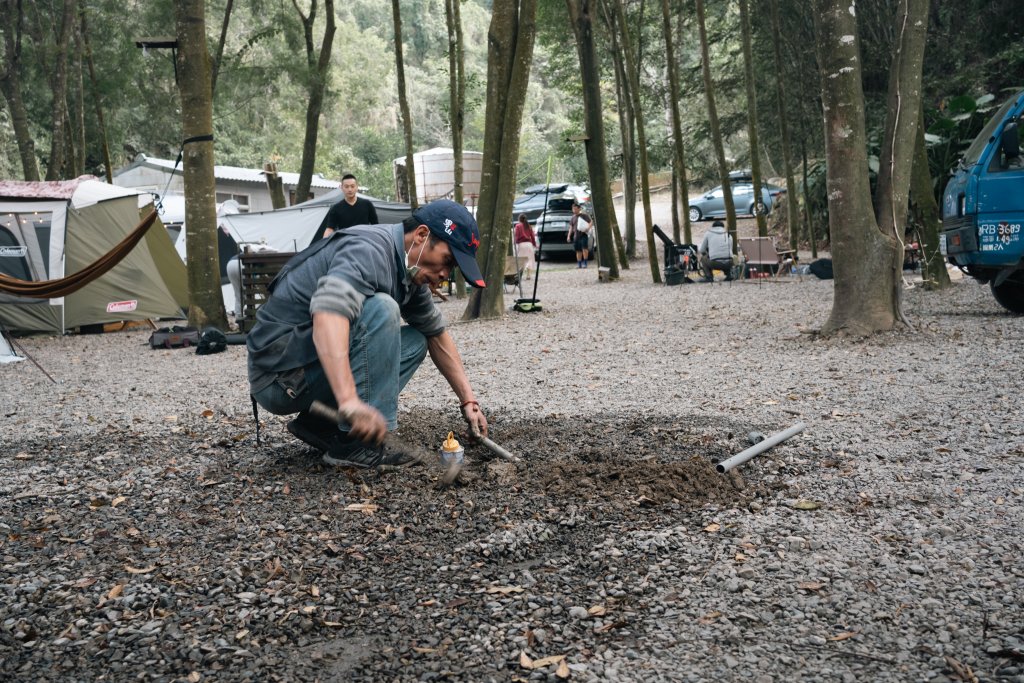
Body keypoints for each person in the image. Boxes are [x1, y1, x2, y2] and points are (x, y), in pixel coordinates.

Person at [246, 199, 489, 469]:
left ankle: (321, 424)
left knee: (417, 341)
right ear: (421, 235)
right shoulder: (368, 250)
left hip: (303, 369)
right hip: (279, 378)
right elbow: (328, 315)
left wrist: (469, 400)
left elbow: (437, 335)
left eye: (452, 268)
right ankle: (356, 446)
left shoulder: (411, 273)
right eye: (447, 260)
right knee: (382, 309)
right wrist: (349, 400)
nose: (444, 274)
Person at [319, 174, 379, 239]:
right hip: (345, 242)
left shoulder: (367, 204)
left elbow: (375, 226)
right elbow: (329, 229)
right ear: (341, 188)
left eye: (352, 186)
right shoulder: (336, 208)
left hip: (364, 240)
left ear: (357, 187)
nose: (350, 189)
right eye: (346, 187)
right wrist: (324, 243)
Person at [567, 202, 593, 268]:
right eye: (573, 209)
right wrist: (569, 236)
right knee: (578, 251)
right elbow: (570, 228)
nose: (574, 210)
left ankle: (585, 264)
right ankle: (579, 264)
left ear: (579, 209)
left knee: (585, 249)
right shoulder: (573, 217)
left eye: (575, 209)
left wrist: (588, 228)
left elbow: (591, 222)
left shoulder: (584, 215)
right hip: (576, 236)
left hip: (583, 235)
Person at [513, 213, 537, 279]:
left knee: (521, 260)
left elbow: (517, 236)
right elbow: (532, 236)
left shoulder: (518, 226)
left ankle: (520, 275)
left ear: (519, 219)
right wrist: (535, 244)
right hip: (529, 245)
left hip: (522, 245)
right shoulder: (528, 226)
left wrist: (515, 243)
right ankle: (528, 275)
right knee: (529, 259)